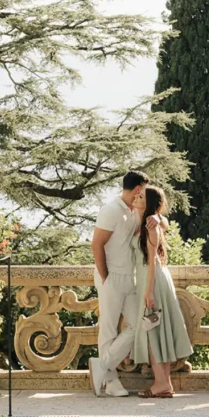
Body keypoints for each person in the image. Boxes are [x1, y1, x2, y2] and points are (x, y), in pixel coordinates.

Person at [88, 170, 149, 397]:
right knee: (109, 328)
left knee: (138, 326)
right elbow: (96, 244)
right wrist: (105, 276)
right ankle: (112, 382)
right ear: (137, 189)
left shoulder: (134, 211)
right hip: (111, 277)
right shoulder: (111, 210)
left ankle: (102, 365)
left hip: (130, 278)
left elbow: (139, 235)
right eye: (143, 191)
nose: (144, 195)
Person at [131, 185, 193, 398]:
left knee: (153, 331)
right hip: (153, 279)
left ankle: (161, 384)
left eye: (140, 196)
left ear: (147, 203)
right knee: (158, 331)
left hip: (153, 280)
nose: (136, 197)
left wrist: (148, 291)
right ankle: (164, 384)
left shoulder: (150, 226)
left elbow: (151, 262)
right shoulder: (148, 222)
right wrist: (159, 218)